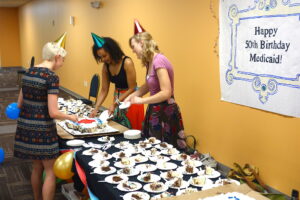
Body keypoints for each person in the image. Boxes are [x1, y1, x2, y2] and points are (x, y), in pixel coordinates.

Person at [14, 33, 78, 200]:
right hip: (43, 129)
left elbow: (20, 103)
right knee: (50, 171)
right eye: (63, 60)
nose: (62, 64)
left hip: (26, 126)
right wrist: (71, 117)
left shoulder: (29, 72)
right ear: (57, 57)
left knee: (36, 168)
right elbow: (53, 112)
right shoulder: (51, 77)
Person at [125, 20, 186, 149]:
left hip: (165, 112)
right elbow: (148, 85)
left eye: (133, 47)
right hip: (156, 111)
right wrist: (132, 97)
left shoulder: (159, 61)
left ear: (142, 43)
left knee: (164, 151)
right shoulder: (149, 62)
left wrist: (142, 101)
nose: (133, 52)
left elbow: (166, 92)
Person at [89, 33, 144, 130]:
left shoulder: (127, 62)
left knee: (131, 130)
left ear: (112, 51)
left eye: (104, 56)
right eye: (100, 57)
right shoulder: (106, 66)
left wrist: (115, 104)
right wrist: (96, 108)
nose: (103, 59)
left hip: (131, 99)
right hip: (117, 97)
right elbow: (104, 90)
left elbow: (132, 88)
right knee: (118, 129)